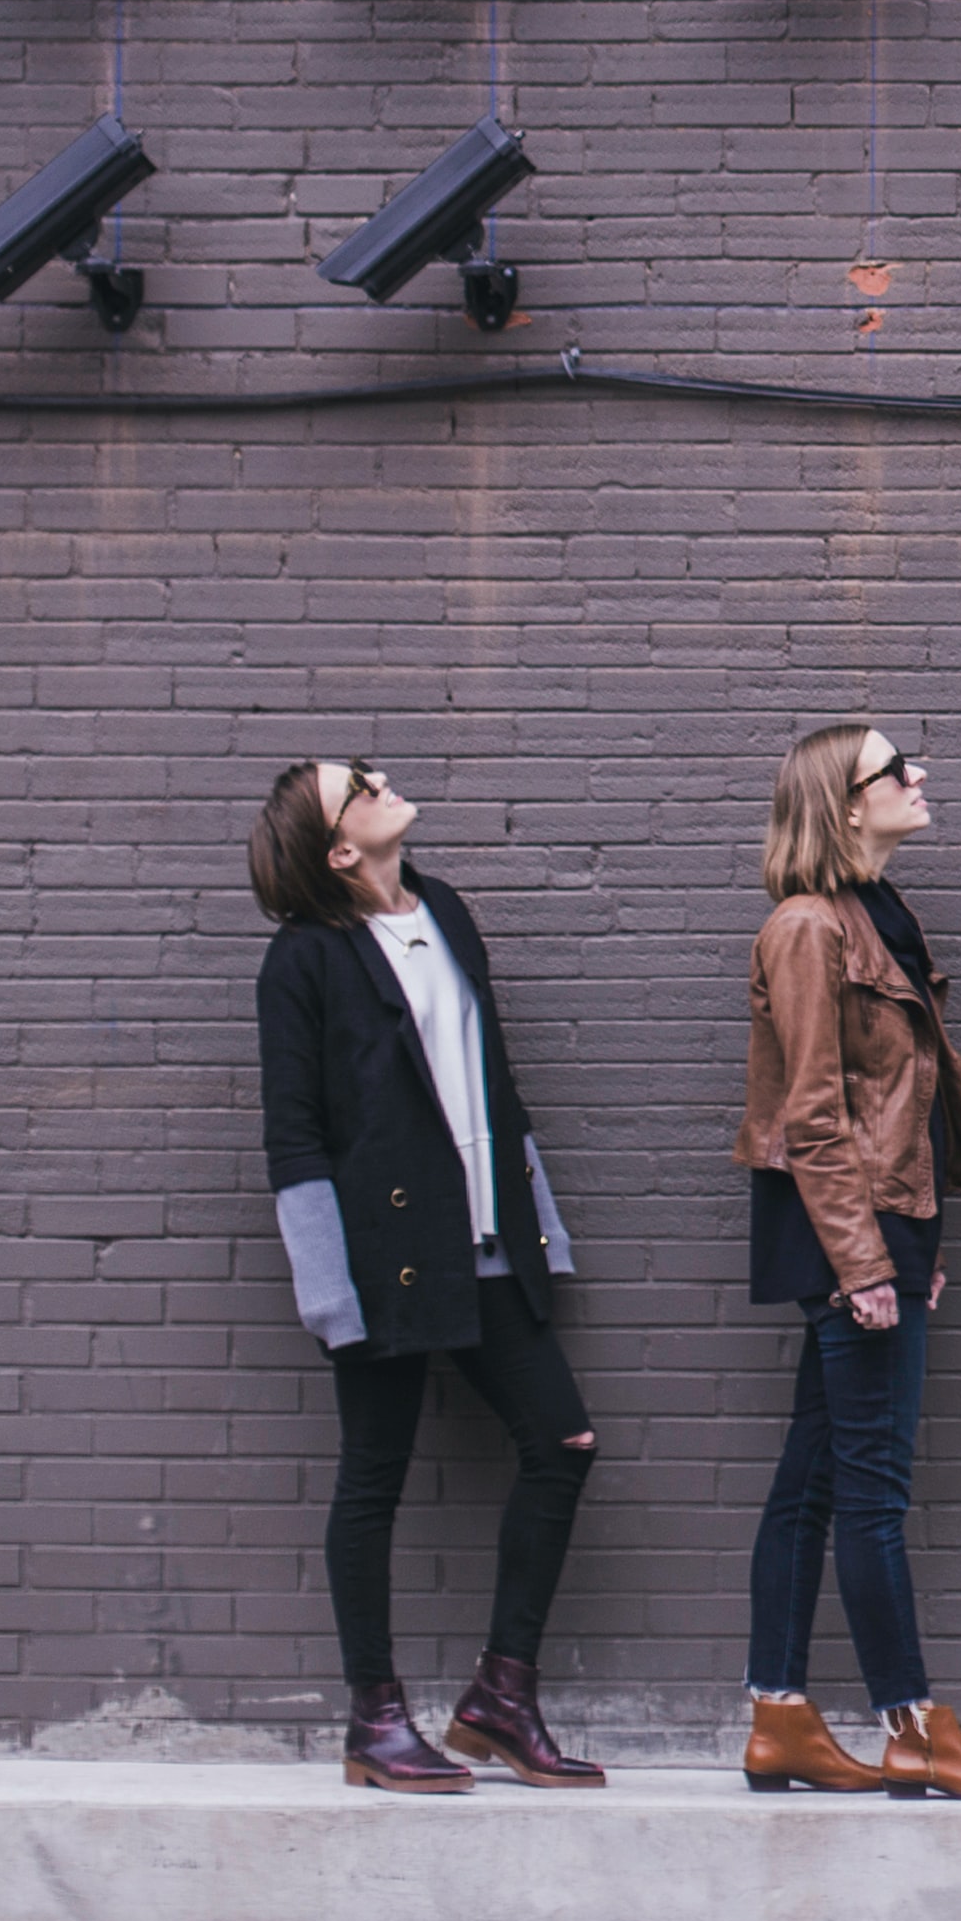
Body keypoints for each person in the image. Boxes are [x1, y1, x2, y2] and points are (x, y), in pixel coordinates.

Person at [247, 755, 606, 1793]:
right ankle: (375, 1719)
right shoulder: (303, 963)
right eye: (358, 784)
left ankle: (500, 1698)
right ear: (339, 848)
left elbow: (493, 1081)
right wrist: (328, 1292)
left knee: (563, 1442)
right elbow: (294, 1139)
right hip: (383, 1261)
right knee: (374, 1479)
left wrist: (542, 1226)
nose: (381, 778)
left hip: (489, 1244)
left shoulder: (444, 910)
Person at [734, 719, 961, 1802]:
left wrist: (916, 1241)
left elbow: (899, 1109)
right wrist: (867, 1261)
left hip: (876, 1227)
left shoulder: (875, 913)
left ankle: (778, 1717)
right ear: (844, 802)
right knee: (873, 1491)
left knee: (813, 1483)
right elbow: (813, 1116)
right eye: (895, 768)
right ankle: (912, 1725)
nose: (921, 774)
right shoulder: (809, 929)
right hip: (844, 1235)